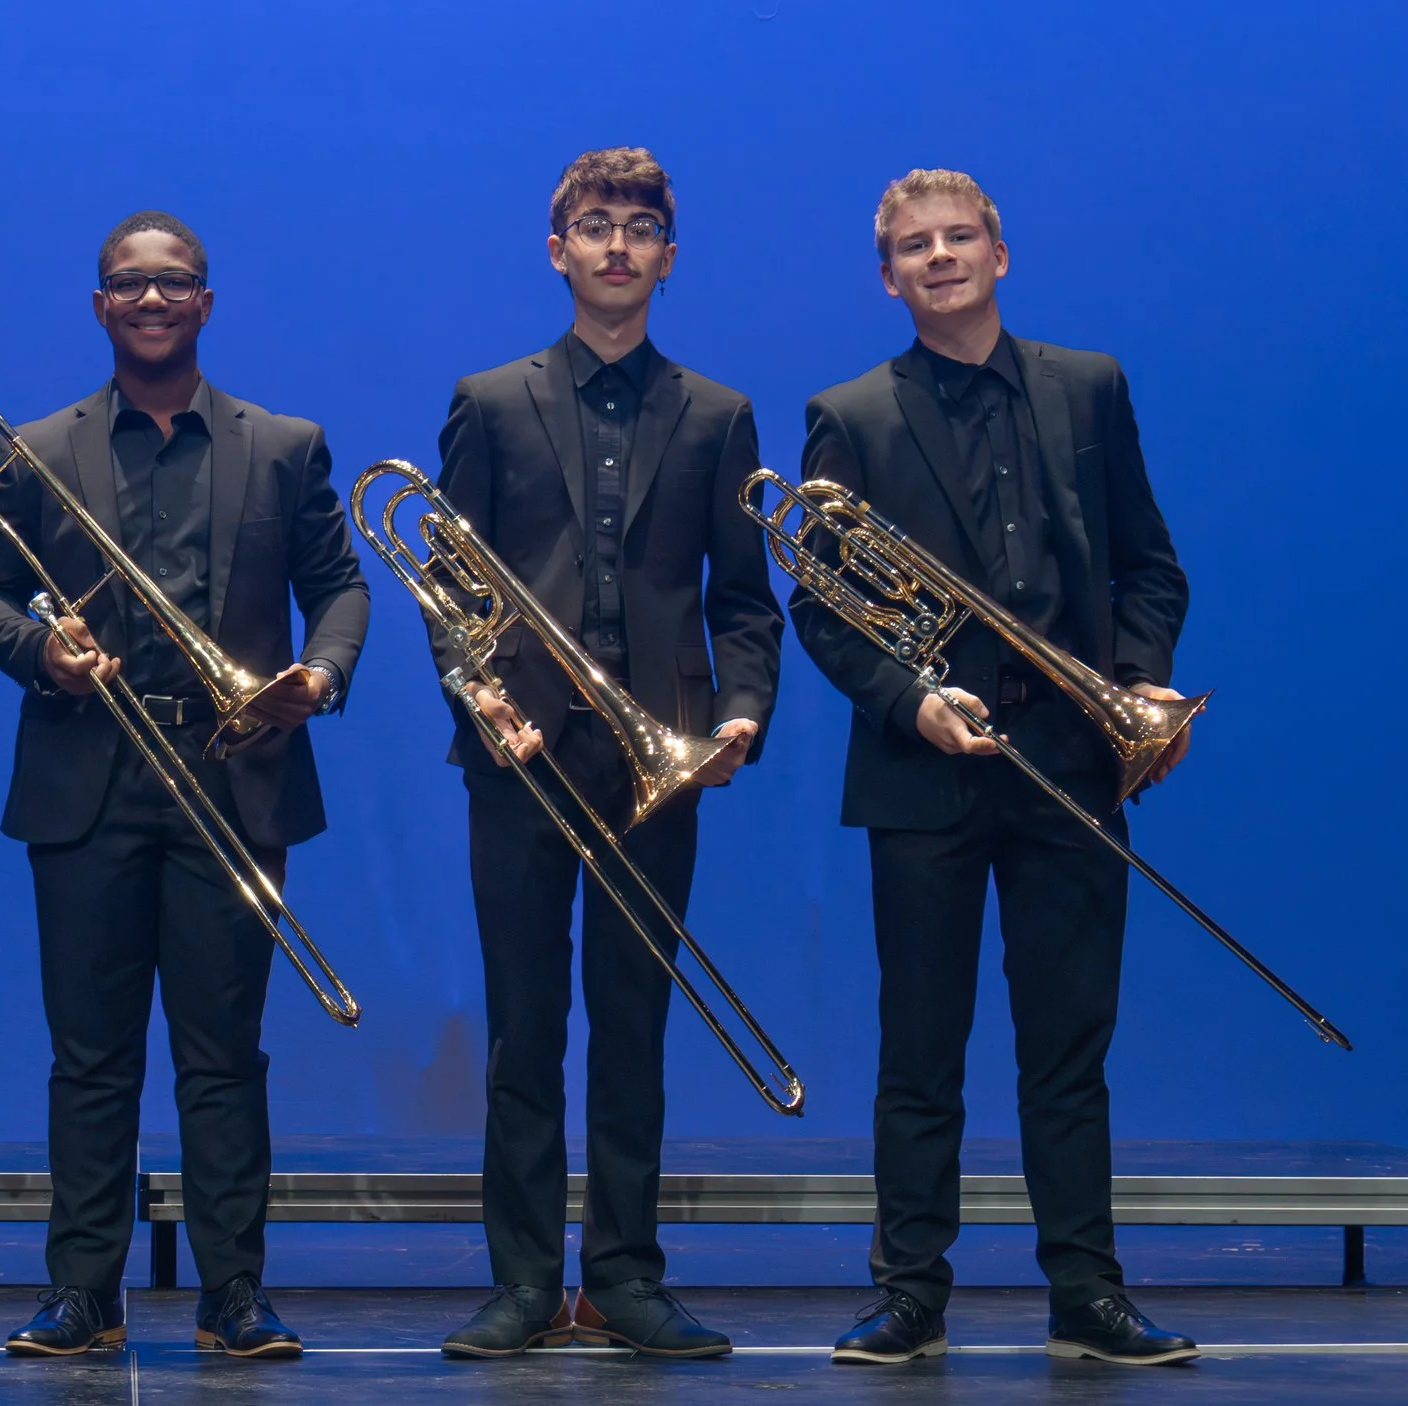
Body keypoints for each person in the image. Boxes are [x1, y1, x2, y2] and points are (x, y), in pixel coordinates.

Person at [791, 168, 1199, 1367]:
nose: (938, 256)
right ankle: (909, 1291)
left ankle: (1087, 1290)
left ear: (998, 253)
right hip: (925, 766)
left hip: (1073, 756)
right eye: (913, 245)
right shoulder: (850, 413)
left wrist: (1143, 682)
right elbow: (819, 606)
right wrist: (907, 700)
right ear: (887, 277)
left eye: (958, 236)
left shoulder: (1088, 386)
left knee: (1068, 1046)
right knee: (919, 1047)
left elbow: (1149, 566)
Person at [0, 211, 369, 1359]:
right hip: (85, 773)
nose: (150, 299)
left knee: (223, 1054)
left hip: (235, 773)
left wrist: (319, 673)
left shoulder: (283, 444)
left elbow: (339, 587)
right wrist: (41, 651)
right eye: (128, 284)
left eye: (173, 282)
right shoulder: (37, 445)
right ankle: (82, 1290)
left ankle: (234, 1291)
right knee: (90, 1057)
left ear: (205, 302)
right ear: (99, 305)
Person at [431, 147, 782, 1360]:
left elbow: (744, 600)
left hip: (658, 755)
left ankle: (624, 1276)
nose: (616, 243)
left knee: (634, 1027)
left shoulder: (718, 413)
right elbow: (447, 582)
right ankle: (525, 1280)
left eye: (639, 227)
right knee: (524, 1028)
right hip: (521, 753)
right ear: (558, 250)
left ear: (667, 257)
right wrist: (477, 695)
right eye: (594, 225)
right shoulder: (488, 400)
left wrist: (740, 709)